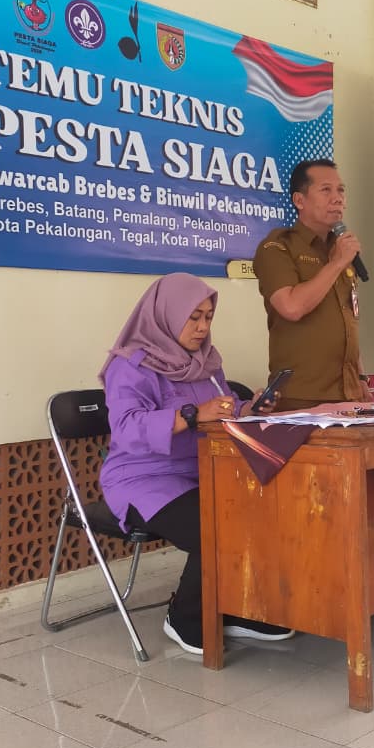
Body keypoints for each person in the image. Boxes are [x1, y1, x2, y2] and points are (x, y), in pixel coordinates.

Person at [99, 272, 294, 655]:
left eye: (208, 317)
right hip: (143, 480)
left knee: (265, 509)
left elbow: (221, 408)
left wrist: (248, 409)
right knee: (215, 525)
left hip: (202, 470)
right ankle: (185, 618)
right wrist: (191, 415)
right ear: (167, 314)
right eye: (194, 317)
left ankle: (235, 610)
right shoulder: (131, 365)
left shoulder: (206, 362)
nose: (203, 327)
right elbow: (127, 428)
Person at [253, 159, 371, 409]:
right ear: (299, 200)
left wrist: (360, 376)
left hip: (348, 393)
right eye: (326, 190)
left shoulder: (340, 250)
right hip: (301, 396)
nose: (337, 198)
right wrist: (336, 263)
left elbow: (347, 319)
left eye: (341, 190)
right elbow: (291, 307)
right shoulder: (278, 247)